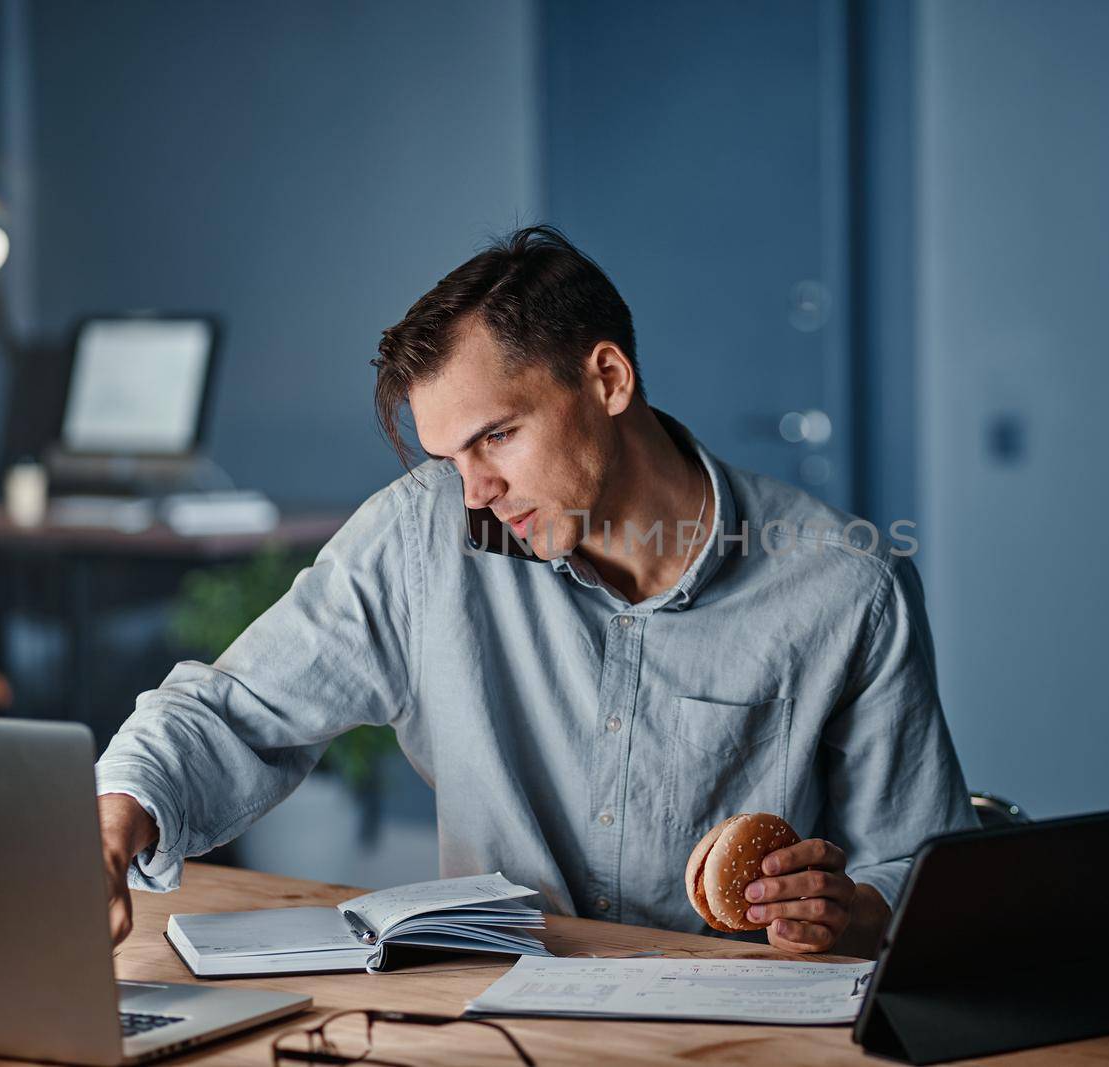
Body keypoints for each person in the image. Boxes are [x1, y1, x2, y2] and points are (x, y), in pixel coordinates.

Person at [95, 226, 975, 958]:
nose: (474, 491)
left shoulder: (847, 584)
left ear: (608, 379)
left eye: (498, 437)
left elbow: (919, 868)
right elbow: (233, 709)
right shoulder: (424, 535)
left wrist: (850, 907)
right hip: (494, 1018)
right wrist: (112, 820)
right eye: (449, 459)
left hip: (745, 1033)